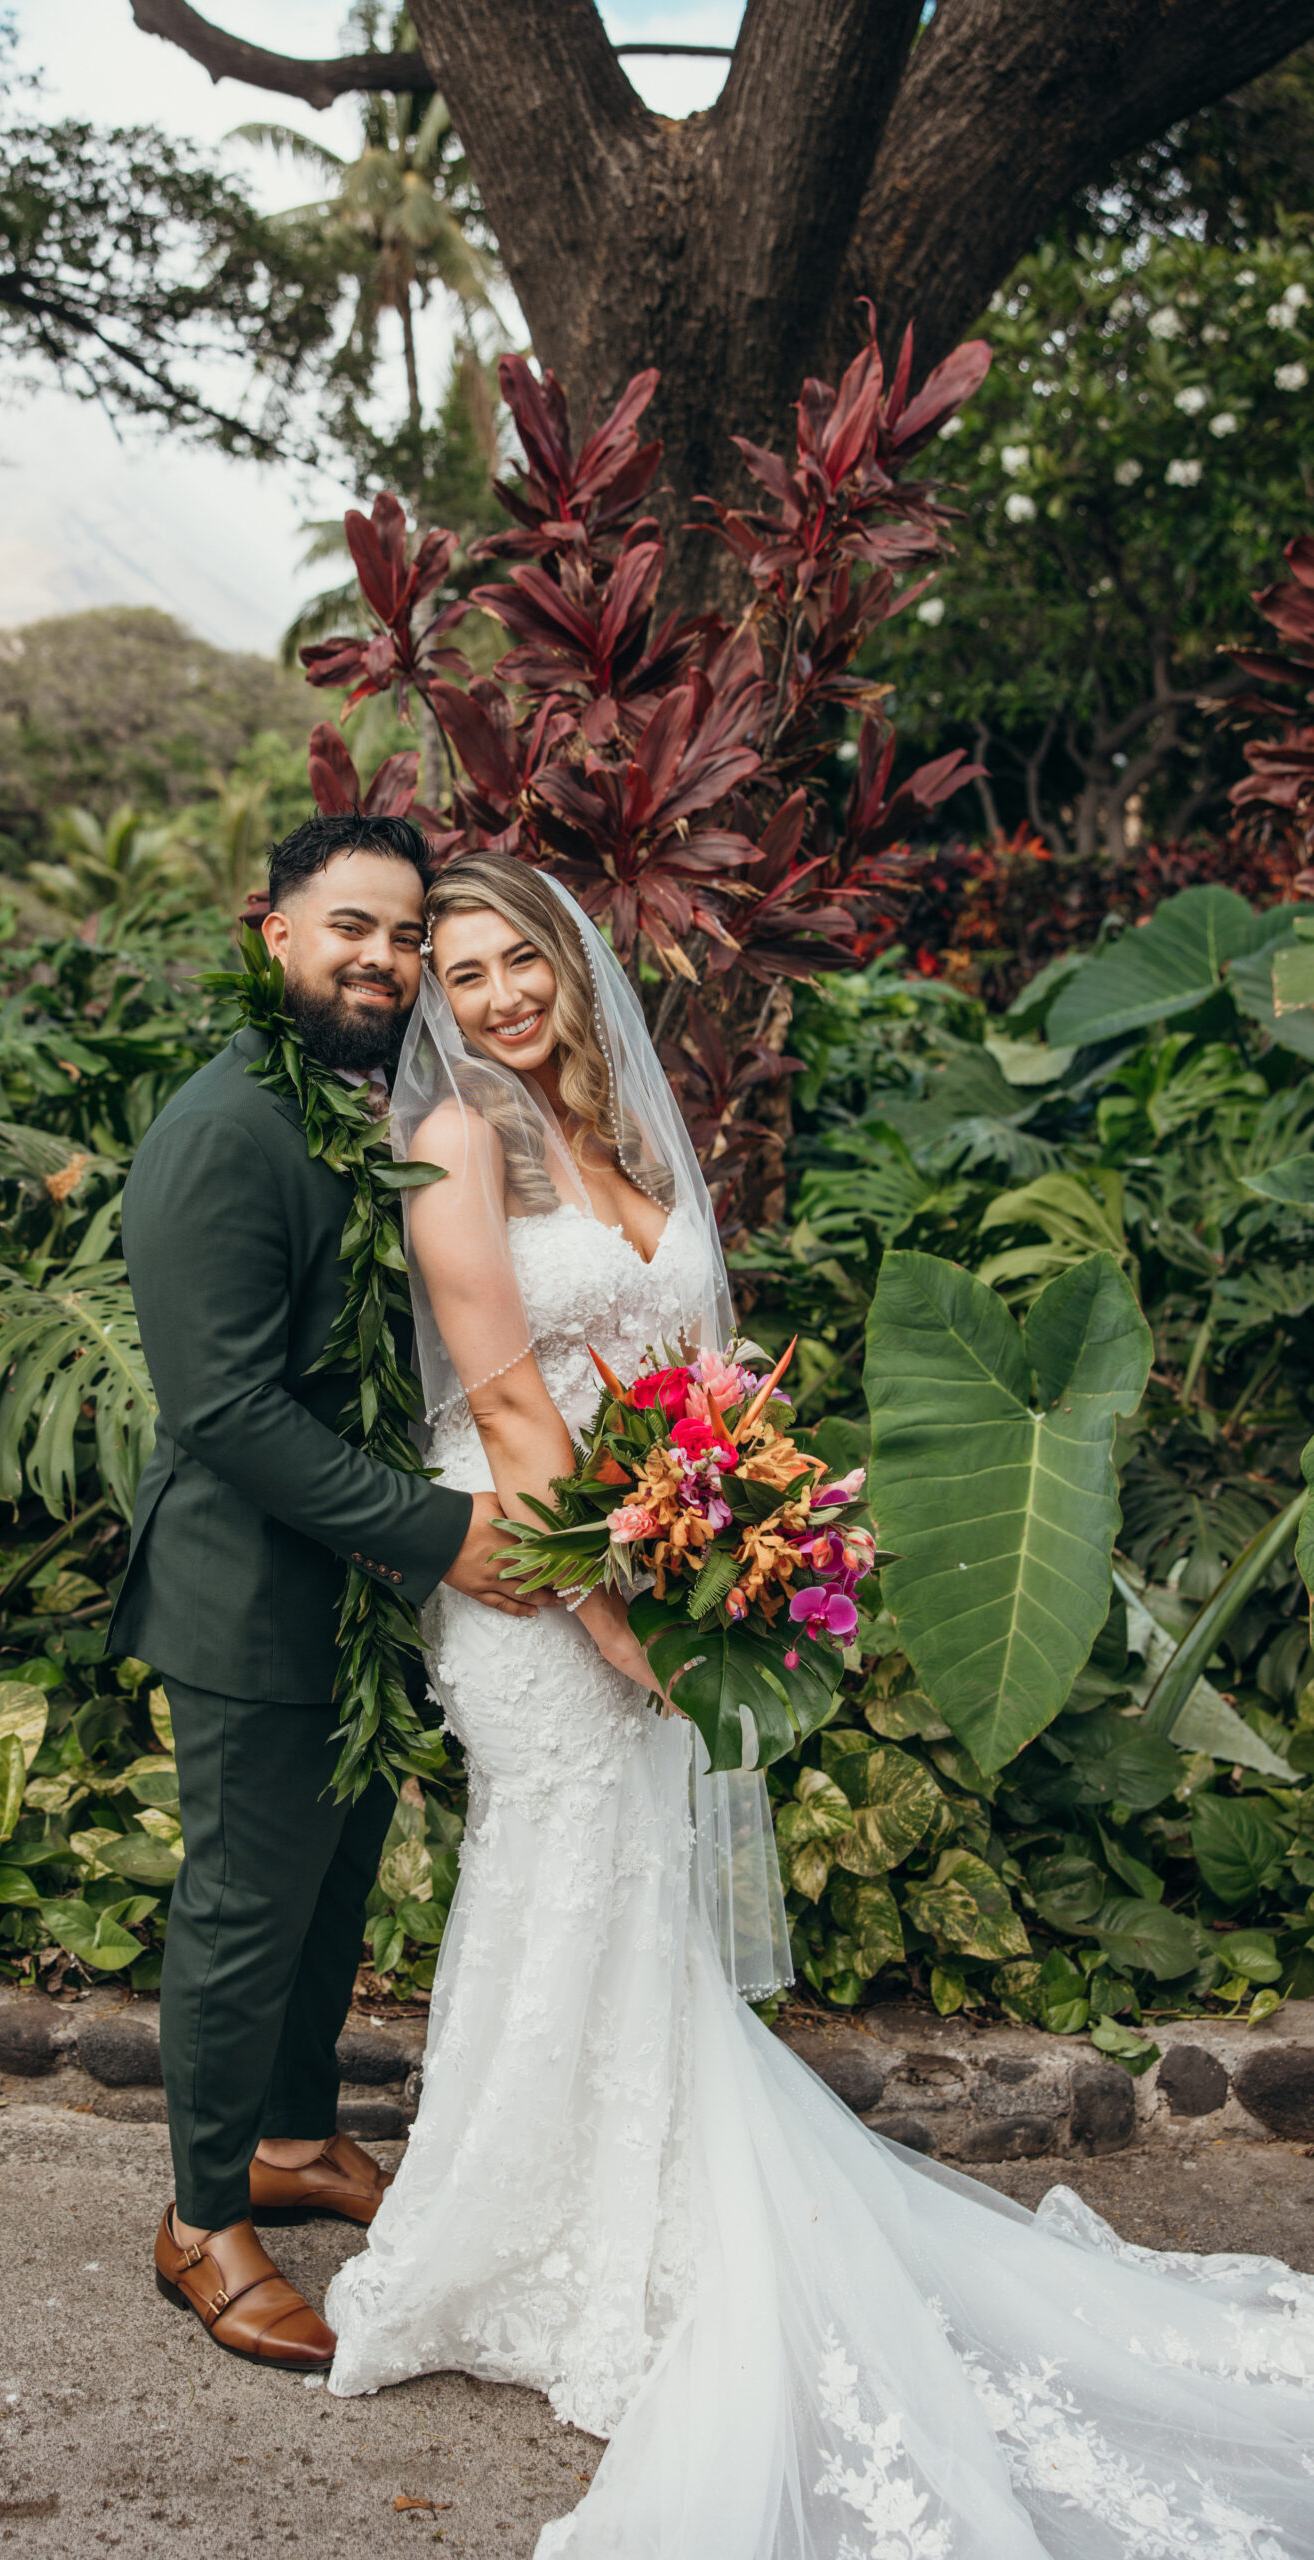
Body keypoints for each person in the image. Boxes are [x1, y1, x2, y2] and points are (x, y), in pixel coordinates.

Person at [324, 851, 1314, 2554]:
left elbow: (700, 1368)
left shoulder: (626, 1136)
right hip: (535, 1566)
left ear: (565, 961)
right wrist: (615, 1608)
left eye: (514, 962)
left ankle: (629, 2221)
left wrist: (735, 1541)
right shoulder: (454, 1142)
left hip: (653, 1549)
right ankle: (503, 2244)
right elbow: (501, 1392)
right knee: (557, 1872)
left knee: (636, 1896)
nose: (492, 997)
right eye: (458, 974)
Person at [108, 811, 538, 2372]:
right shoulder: (226, 1128)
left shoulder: (367, 1102)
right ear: (271, 930)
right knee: (242, 1908)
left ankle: (294, 2137)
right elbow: (221, 1409)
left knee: (330, 1886)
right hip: (249, 1592)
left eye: (406, 934)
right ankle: (201, 2218)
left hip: (353, 1594)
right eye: (352, 926)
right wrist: (441, 1531)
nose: (385, 957)